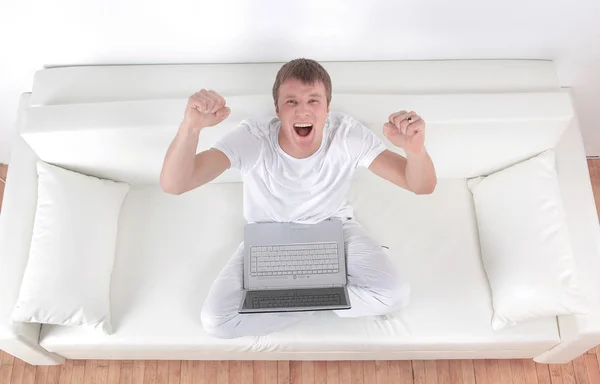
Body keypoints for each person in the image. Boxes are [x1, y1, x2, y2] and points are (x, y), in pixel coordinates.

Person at [160, 59, 437, 339]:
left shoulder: (347, 134)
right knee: (216, 321)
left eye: (313, 100)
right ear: (277, 109)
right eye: (291, 101)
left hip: (333, 229)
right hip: (267, 237)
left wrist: (414, 150)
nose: (303, 110)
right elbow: (175, 184)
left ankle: (299, 298)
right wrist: (191, 127)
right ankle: (322, 299)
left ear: (327, 107)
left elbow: (421, 185)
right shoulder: (252, 138)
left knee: (396, 295)